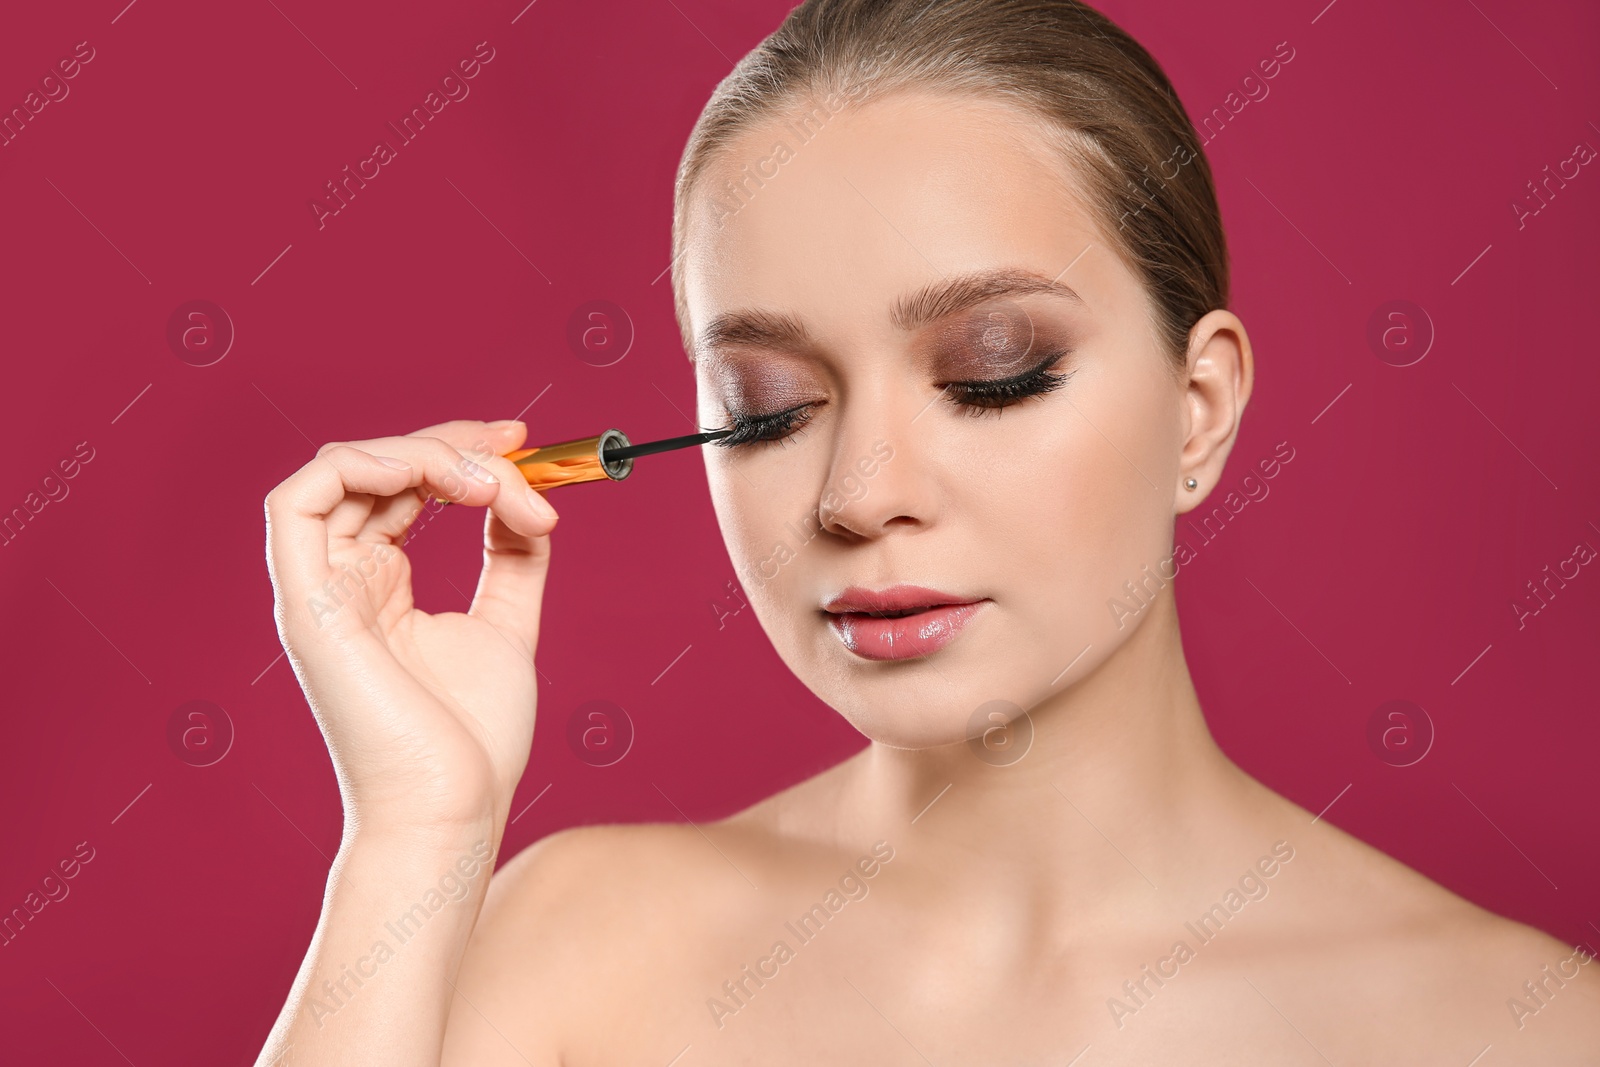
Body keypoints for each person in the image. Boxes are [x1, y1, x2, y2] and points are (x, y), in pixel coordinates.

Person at [256, 1, 1600, 1062]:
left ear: (1198, 412)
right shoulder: (575, 949)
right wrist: (411, 838)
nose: (857, 493)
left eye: (993, 372)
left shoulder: (1519, 1034)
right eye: (769, 407)